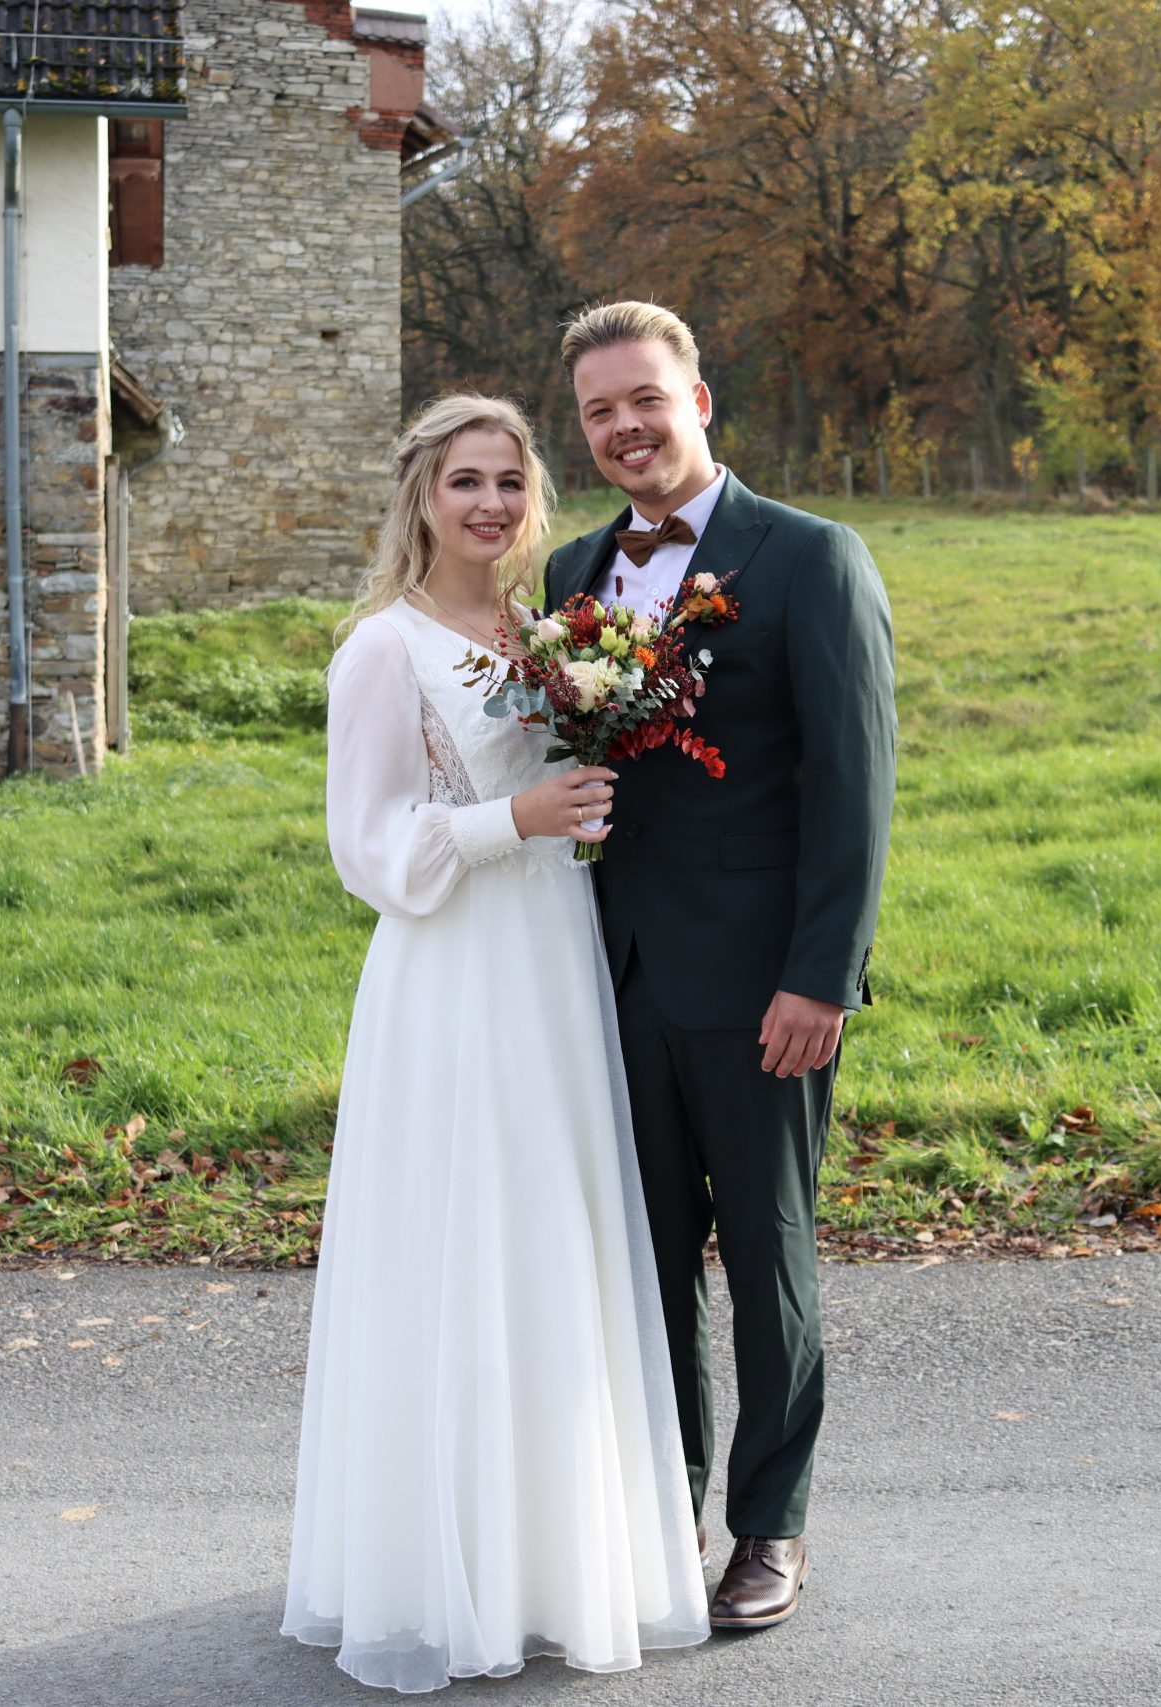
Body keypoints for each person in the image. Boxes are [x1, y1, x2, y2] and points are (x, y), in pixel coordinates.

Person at [281, 393, 711, 1692]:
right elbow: (367, 850)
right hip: (453, 975)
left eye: (511, 484)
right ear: (421, 496)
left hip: (553, 964)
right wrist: (509, 822)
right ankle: (434, 1569)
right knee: (459, 1244)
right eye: (465, 481)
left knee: (550, 1240)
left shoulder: (547, 634)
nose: (490, 505)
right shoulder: (382, 651)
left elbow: (567, 784)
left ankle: (548, 1563)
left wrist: (576, 818)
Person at [542, 302, 896, 1631]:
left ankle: (772, 1527)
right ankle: (659, 1510)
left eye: (645, 398)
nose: (625, 427)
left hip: (764, 988)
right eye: (598, 411)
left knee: (765, 1253)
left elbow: (854, 787)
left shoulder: (808, 559)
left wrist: (824, 976)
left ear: (701, 401)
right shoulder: (574, 571)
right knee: (647, 1262)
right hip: (611, 977)